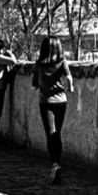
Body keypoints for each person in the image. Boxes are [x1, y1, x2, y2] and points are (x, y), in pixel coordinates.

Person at [32, 35, 73, 184]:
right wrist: (71, 88)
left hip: (46, 102)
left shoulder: (39, 64)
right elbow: (69, 78)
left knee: (50, 132)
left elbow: (34, 84)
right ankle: (57, 163)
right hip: (61, 101)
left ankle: (55, 164)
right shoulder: (62, 62)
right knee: (57, 132)